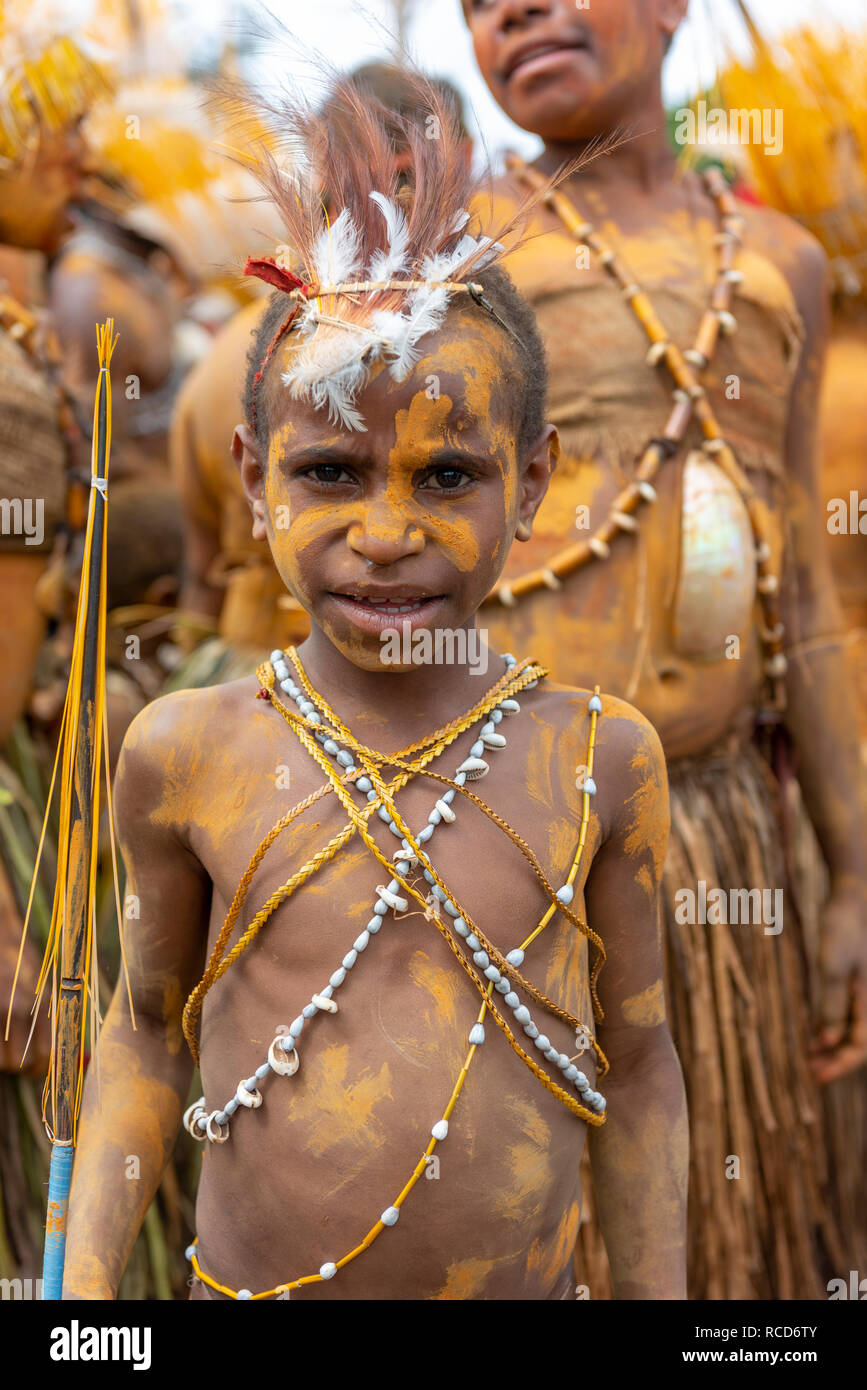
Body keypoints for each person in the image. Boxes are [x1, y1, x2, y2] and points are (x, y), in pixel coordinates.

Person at [61, 72, 686, 1301]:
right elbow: (141, 1028)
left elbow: (647, 1061)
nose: (387, 531)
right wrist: (81, 1302)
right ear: (254, 478)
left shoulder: (601, 759)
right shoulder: (185, 752)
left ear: (535, 477)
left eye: (449, 478)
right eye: (333, 473)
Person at [460, 0, 867, 1298]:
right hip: (508, 847)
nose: (510, 12)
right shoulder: (453, 252)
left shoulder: (779, 262)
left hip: (724, 839)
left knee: (718, 1238)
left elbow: (798, 586)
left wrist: (852, 871)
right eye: (471, 3)